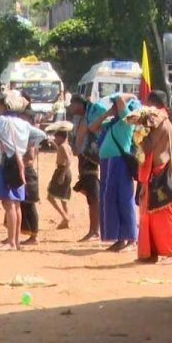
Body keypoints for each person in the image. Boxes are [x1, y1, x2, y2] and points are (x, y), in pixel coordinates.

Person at [0, 90, 45, 251]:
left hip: (4, 164)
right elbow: (41, 135)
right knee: (16, 204)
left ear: (5, 105)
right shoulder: (23, 123)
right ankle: (15, 241)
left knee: (8, 203)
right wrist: (26, 148)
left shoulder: (2, 120)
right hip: (19, 164)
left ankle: (10, 241)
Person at [89, 93, 141, 252]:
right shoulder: (112, 123)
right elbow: (92, 127)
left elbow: (119, 98)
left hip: (119, 162)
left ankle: (131, 238)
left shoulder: (128, 120)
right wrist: (107, 113)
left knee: (124, 200)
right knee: (110, 200)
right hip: (108, 163)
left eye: (115, 106)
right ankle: (119, 238)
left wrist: (128, 95)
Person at [134, 90, 172, 264]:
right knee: (152, 214)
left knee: (159, 214)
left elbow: (148, 147)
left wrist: (138, 135)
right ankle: (152, 252)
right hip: (160, 169)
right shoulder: (165, 122)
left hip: (157, 171)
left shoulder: (159, 123)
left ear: (153, 104)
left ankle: (166, 250)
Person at [70, 94, 101, 241]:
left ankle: (95, 231)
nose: (70, 107)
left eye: (72, 104)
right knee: (91, 196)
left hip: (90, 160)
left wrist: (78, 149)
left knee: (93, 198)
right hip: (84, 160)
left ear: (79, 104)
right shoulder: (82, 119)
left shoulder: (88, 118)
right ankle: (94, 229)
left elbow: (82, 141)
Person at [20, 107, 48, 246]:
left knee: (29, 204)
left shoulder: (31, 135)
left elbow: (30, 155)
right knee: (22, 203)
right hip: (23, 169)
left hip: (28, 170)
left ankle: (34, 236)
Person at [46, 122, 75, 229]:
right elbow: (61, 153)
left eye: (57, 137)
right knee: (64, 199)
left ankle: (65, 216)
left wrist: (62, 175)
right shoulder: (66, 146)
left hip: (62, 171)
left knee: (50, 197)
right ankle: (65, 222)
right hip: (65, 171)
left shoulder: (63, 146)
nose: (56, 139)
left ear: (61, 137)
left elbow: (68, 160)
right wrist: (54, 144)